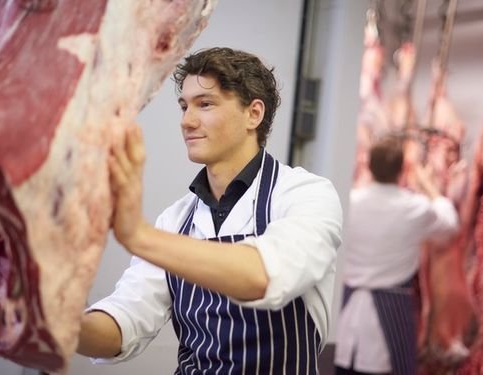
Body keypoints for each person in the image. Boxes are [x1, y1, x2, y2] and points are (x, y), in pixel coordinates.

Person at [76, 47, 343, 374]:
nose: (187, 121)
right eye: (184, 106)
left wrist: (138, 235)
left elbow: (263, 275)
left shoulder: (305, 195)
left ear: (253, 114)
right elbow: (125, 321)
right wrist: (58, 323)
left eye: (205, 104)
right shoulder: (175, 221)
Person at [334, 137, 459, 375]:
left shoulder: (349, 202)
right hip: (391, 318)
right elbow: (450, 224)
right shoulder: (414, 207)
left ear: (368, 166)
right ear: (403, 170)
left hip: (346, 318)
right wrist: (430, 186)